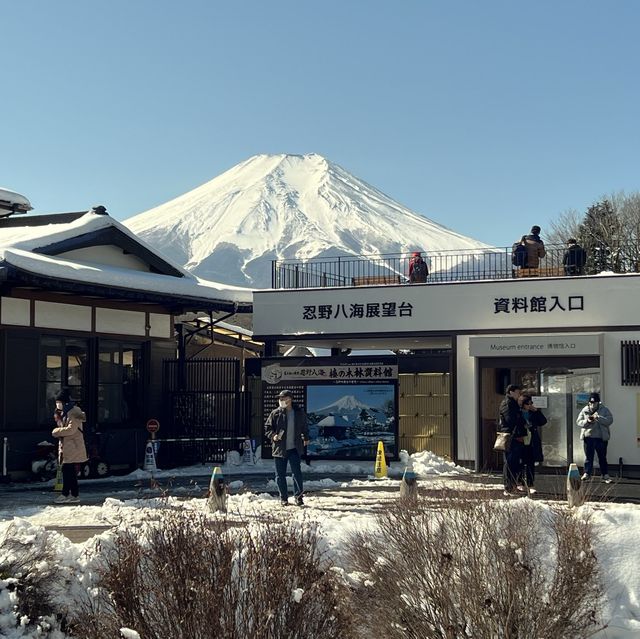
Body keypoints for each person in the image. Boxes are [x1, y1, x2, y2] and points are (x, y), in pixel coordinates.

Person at [264, 389, 310, 506]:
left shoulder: (299, 413)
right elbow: (267, 428)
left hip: (295, 448)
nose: (281, 400)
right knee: (280, 475)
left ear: (290, 399)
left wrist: (306, 437)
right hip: (279, 449)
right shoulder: (275, 413)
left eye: (283, 398)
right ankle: (283, 498)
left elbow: (305, 427)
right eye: (280, 398)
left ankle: (298, 497)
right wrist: (273, 436)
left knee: (297, 473)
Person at [51, 388, 88, 503]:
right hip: (68, 446)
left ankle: (65, 494)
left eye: (59, 402)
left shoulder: (74, 411)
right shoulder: (63, 412)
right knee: (70, 471)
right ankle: (74, 495)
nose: (58, 404)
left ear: (65, 402)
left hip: (73, 446)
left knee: (67, 470)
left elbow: (71, 430)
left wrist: (56, 432)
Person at [576, 392, 613, 483]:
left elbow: (610, 420)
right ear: (588, 402)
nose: (592, 404)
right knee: (589, 457)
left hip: (601, 437)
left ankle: (605, 475)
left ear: (598, 402)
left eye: (594, 403)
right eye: (591, 403)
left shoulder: (604, 410)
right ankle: (587, 474)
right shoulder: (585, 410)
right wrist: (587, 420)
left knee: (602, 457)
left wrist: (598, 418)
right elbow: (579, 422)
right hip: (588, 437)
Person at [498, 384, 525, 495]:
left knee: (515, 463)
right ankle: (509, 487)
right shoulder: (507, 404)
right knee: (510, 462)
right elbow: (510, 420)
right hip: (511, 437)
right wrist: (520, 420)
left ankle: (513, 485)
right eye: (517, 392)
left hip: (516, 436)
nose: (519, 395)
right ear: (511, 392)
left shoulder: (513, 404)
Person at [517, 394, 547, 494]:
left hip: (531, 440)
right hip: (521, 439)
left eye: (531, 403)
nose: (530, 405)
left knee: (530, 463)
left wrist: (536, 411)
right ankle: (520, 482)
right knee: (520, 463)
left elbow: (543, 421)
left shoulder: (533, 413)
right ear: (523, 404)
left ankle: (530, 484)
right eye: (528, 403)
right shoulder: (518, 413)